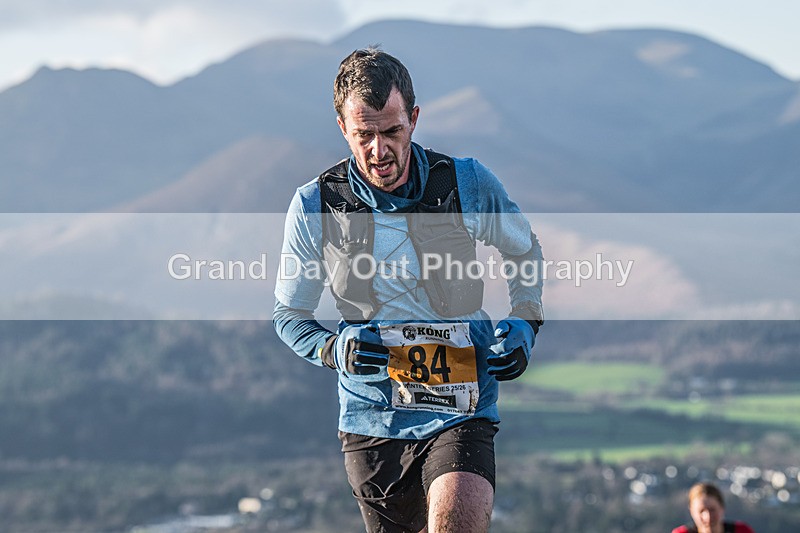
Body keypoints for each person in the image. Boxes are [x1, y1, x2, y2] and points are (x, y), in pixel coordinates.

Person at [273, 47, 544, 533]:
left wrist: (525, 319)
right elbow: (290, 315)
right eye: (365, 135)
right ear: (342, 128)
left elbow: (524, 251)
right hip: (371, 418)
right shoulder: (316, 205)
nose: (380, 151)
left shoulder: (464, 184)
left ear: (414, 119)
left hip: (462, 406)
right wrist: (334, 349)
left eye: (392, 132)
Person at [672, 482, 755, 533]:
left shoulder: (741, 531)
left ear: (722, 508)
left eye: (712, 510)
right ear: (691, 511)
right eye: (701, 511)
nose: (708, 517)